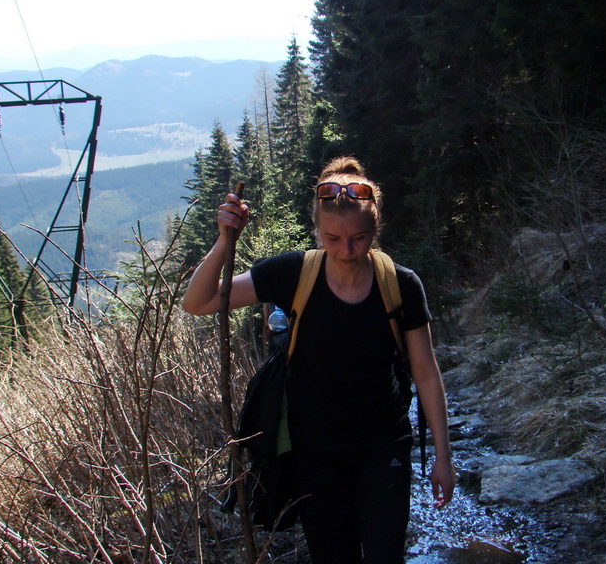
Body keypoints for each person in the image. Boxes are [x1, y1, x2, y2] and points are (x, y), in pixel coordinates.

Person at [182, 156, 456, 563]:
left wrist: (443, 457)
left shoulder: (401, 285)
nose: (346, 250)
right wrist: (224, 241)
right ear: (316, 231)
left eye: (359, 238)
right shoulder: (294, 273)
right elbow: (198, 302)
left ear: (375, 228)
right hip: (315, 455)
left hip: (383, 449)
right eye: (333, 239)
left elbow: (427, 375)